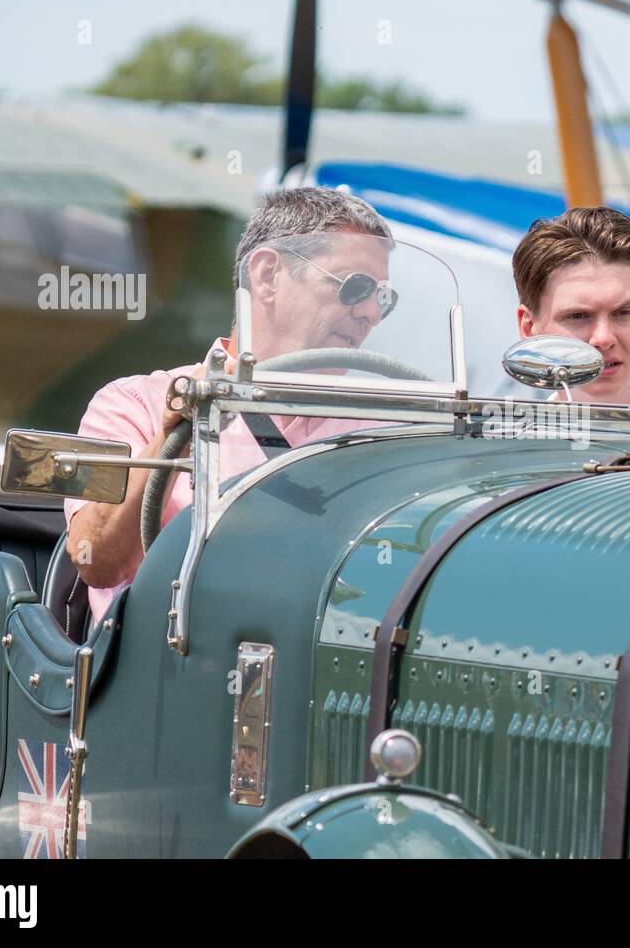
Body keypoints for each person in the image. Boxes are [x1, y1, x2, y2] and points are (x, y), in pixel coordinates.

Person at [64, 187, 394, 626]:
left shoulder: (385, 430)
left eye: (384, 298)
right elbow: (96, 559)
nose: (371, 312)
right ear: (267, 275)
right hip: (168, 669)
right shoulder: (133, 404)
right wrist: (172, 435)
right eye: (355, 287)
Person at [512, 206, 630, 405]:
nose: (604, 338)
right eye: (578, 316)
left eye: (623, 313)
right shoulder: (515, 436)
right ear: (529, 328)